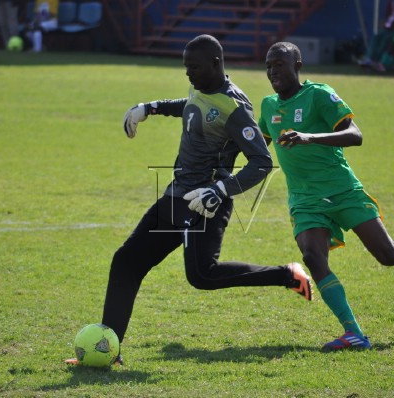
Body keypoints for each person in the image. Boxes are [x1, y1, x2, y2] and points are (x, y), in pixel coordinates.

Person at [65, 35, 313, 366]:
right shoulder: (203, 87)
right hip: (177, 194)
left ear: (215, 64)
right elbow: (192, 105)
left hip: (205, 202)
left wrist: (220, 190)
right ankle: (109, 350)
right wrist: (150, 108)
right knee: (127, 262)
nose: (187, 74)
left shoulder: (235, 107)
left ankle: (287, 274)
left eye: (193, 67)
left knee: (202, 275)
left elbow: (262, 162)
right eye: (185, 67)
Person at [258, 42, 394, 351]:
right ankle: (353, 332)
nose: (273, 71)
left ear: (298, 65)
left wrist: (309, 137)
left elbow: (355, 135)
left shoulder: (318, 94)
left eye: (279, 64)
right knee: (312, 257)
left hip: (342, 191)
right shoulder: (267, 105)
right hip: (304, 199)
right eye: (268, 65)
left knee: (390, 256)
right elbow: (259, 144)